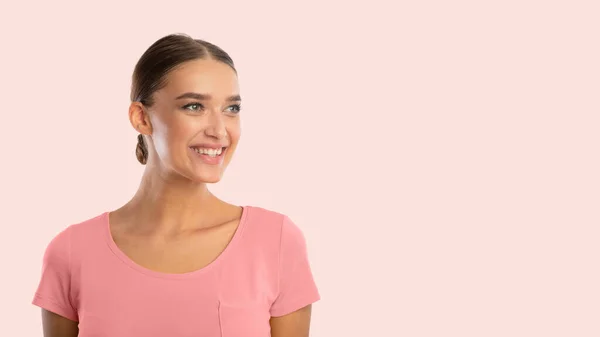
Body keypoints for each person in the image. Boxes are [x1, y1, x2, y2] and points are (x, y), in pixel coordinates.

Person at [32, 33, 320, 337]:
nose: (219, 130)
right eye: (194, 106)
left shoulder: (274, 242)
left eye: (231, 109)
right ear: (141, 118)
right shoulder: (72, 252)